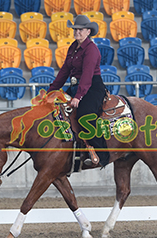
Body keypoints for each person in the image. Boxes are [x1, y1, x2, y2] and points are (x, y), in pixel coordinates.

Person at [46, 14, 110, 167]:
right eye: (75, 29)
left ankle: (102, 154)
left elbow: (87, 75)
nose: (77, 32)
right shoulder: (73, 47)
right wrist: (51, 91)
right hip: (76, 86)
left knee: (84, 115)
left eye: (80, 30)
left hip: (92, 87)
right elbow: (64, 71)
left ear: (88, 32)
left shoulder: (92, 50)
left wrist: (78, 96)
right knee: (56, 109)